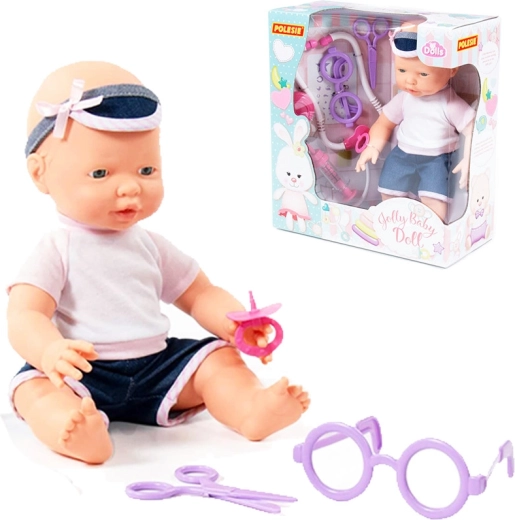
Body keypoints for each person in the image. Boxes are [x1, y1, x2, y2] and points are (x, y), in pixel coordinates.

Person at [7, 61, 310, 464]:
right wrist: (49, 351)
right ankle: (76, 431)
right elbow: (24, 314)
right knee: (34, 390)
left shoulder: (150, 245)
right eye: (100, 173)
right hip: (82, 374)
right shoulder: (56, 249)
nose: (130, 186)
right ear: (40, 174)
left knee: (218, 359)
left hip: (158, 369)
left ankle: (250, 408)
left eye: (146, 170)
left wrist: (235, 324)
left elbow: (199, 294)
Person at [355, 22, 476, 222]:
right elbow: (384, 123)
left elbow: (473, 130)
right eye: (402, 70)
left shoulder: (449, 103)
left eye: (423, 74)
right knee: (389, 193)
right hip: (402, 155)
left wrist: (469, 159)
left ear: (452, 69)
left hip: (438, 160)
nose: (410, 81)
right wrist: (373, 146)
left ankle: (432, 230)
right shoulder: (404, 99)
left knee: (435, 201)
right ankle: (393, 225)